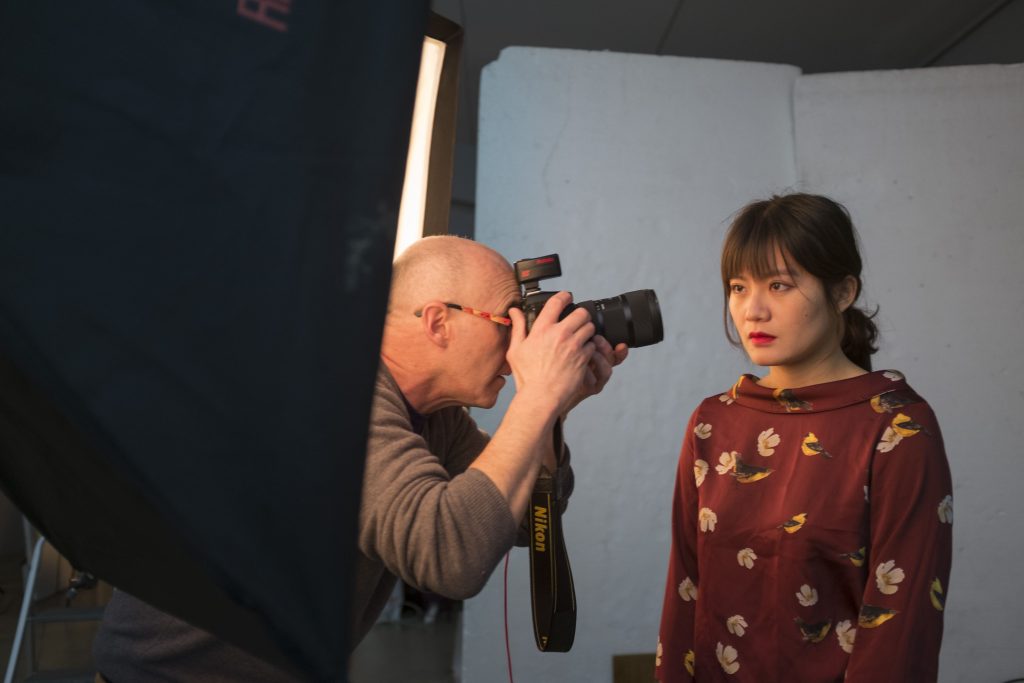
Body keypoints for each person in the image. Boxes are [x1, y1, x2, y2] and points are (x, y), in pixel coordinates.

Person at [93, 235, 628, 681]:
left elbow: (518, 519)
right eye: (507, 323)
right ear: (438, 322)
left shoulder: (433, 414)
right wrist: (536, 399)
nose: (520, 344)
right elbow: (451, 557)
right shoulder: (336, 394)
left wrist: (553, 409)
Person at [655, 194, 952, 682]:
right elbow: (685, 593)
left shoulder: (897, 430)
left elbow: (902, 628)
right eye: (737, 287)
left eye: (779, 285)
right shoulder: (712, 423)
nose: (752, 311)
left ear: (843, 292)